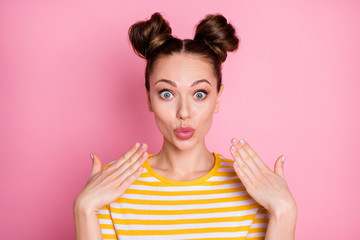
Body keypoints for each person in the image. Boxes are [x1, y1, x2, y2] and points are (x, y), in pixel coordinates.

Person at [73, 12, 297, 240]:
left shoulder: (253, 187)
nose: (184, 112)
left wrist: (285, 212)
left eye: (199, 94)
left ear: (217, 98)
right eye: (167, 94)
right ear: (150, 99)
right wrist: (84, 210)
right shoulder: (114, 186)